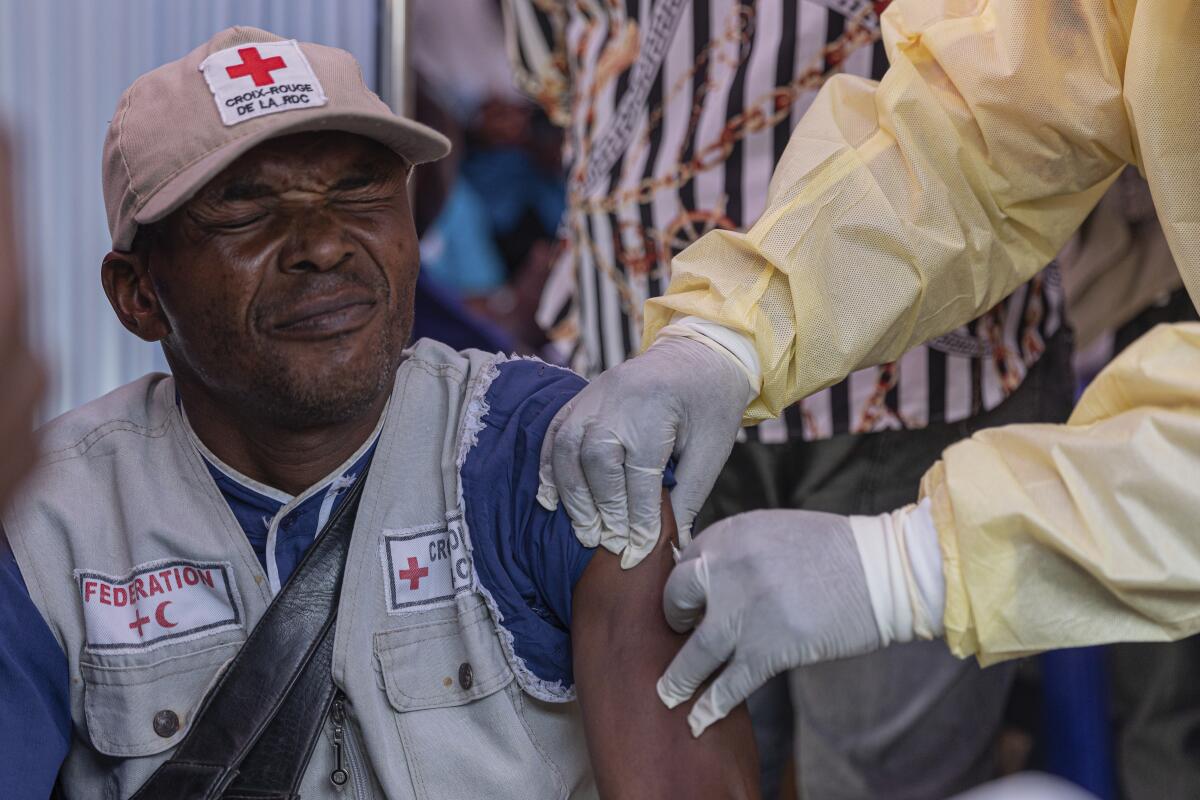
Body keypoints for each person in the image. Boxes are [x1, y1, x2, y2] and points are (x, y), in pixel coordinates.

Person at [0, 28, 758, 799]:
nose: (323, 244)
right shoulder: (48, 525)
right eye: (246, 208)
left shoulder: (548, 451)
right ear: (138, 294)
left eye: (359, 189)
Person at [531, 0, 1200, 740]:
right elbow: (997, 115)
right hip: (700, 352)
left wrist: (906, 567)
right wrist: (735, 329)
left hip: (922, 399)